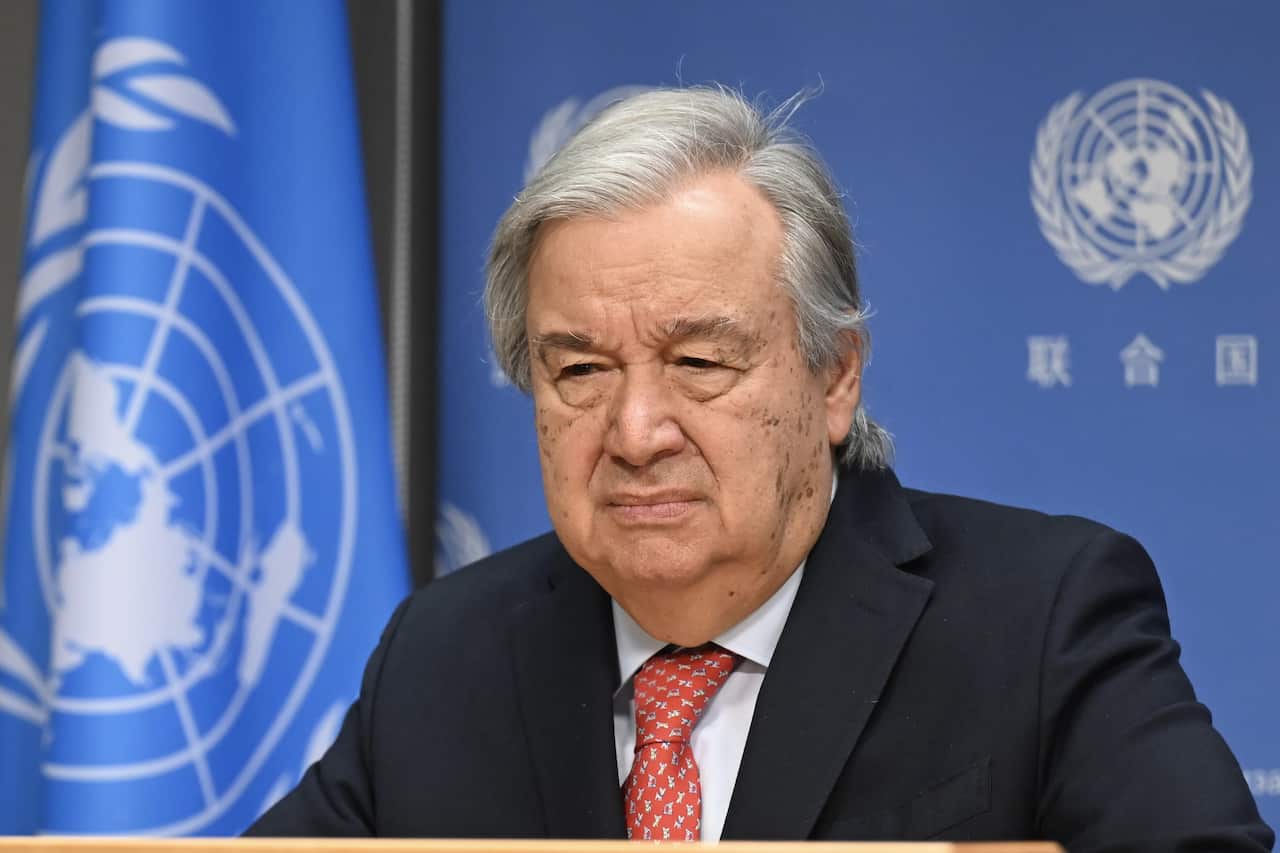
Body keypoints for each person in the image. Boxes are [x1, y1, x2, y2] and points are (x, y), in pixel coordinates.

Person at [248, 86, 1273, 850]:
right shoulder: (446, 650)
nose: (636, 428)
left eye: (697, 363)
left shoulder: (1039, 618)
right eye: (579, 370)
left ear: (834, 377)